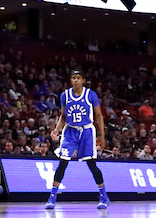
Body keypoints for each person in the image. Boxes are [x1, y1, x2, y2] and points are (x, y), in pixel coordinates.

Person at [44, 69, 109, 210]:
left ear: (83, 80)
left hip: (86, 130)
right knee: (63, 163)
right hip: (70, 131)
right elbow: (63, 115)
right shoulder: (65, 95)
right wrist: (57, 129)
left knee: (91, 164)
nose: (75, 80)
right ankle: (52, 197)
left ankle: (103, 195)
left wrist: (102, 136)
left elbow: (99, 116)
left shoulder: (90, 95)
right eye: (73, 78)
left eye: (78, 78)